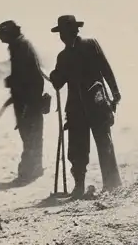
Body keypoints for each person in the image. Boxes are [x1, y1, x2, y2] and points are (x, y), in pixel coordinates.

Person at [50, 14, 121, 199]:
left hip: (96, 103)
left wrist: (115, 92)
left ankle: (112, 184)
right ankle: (79, 186)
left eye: (65, 32)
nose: (63, 36)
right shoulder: (63, 56)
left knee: (104, 143)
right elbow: (58, 82)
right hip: (76, 109)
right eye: (61, 33)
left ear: (74, 30)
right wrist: (54, 75)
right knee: (77, 149)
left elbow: (105, 69)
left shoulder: (90, 45)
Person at [0, 19, 50, 185]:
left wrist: (24, 97)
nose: (1, 40)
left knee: (30, 133)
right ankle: (33, 168)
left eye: (3, 36)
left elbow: (31, 75)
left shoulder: (21, 46)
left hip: (28, 98)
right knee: (30, 133)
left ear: (9, 34)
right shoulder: (18, 45)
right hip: (26, 97)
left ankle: (30, 171)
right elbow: (21, 73)